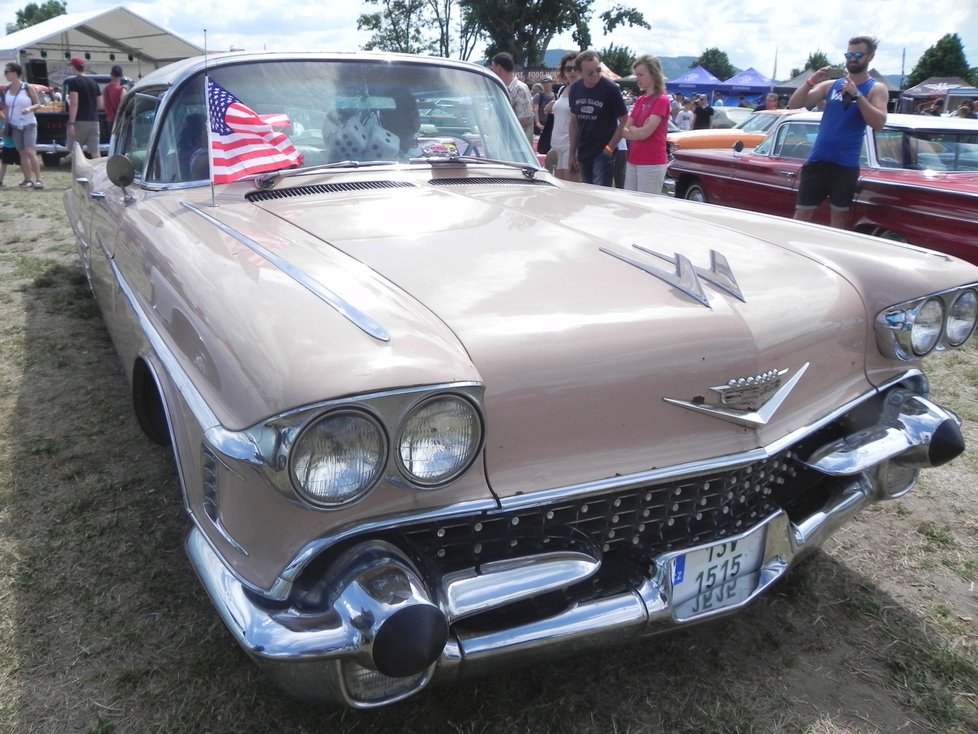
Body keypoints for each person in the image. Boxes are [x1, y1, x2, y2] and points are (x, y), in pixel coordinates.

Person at [787, 35, 887, 229]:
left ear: (870, 57)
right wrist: (811, 80)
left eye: (858, 54)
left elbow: (879, 123)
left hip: (845, 166)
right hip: (817, 161)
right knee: (801, 215)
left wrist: (858, 96)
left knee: (839, 219)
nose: (852, 58)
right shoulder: (831, 85)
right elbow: (794, 104)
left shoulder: (877, 88)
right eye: (849, 54)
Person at [568, 49, 628, 186]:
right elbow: (574, 122)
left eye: (598, 69)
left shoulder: (611, 89)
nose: (595, 74)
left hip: (603, 151)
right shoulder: (575, 89)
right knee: (587, 193)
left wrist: (609, 149)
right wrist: (572, 153)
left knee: (600, 195)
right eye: (590, 72)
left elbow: (624, 120)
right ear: (580, 73)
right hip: (583, 151)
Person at [621, 54, 670, 195]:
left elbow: (644, 133)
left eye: (641, 75)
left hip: (652, 162)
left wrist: (634, 130)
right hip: (634, 160)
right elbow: (625, 130)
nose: (638, 78)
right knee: (630, 205)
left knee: (645, 208)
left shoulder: (662, 100)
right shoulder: (641, 100)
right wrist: (637, 130)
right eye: (637, 75)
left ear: (654, 74)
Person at [0, 62, 43, 189]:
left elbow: (38, 104)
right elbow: (7, 109)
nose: (5, 74)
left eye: (7, 72)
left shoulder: (27, 87)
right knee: (22, 152)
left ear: (14, 73)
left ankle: (39, 180)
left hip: (29, 123)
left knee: (30, 151)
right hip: (14, 125)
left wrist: (29, 108)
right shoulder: (6, 90)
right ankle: (27, 180)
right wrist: (5, 125)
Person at [544, 52, 579, 181]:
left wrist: (574, 152)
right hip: (555, 145)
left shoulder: (583, 91)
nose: (572, 72)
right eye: (568, 68)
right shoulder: (562, 90)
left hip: (570, 147)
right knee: (558, 189)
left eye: (576, 68)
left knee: (570, 190)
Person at [64, 56, 103, 159]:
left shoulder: (73, 82)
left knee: (76, 151)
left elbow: (74, 103)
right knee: (95, 151)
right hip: (94, 120)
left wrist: (71, 123)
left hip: (79, 121)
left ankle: (78, 174)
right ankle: (98, 173)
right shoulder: (94, 83)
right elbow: (100, 104)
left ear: (74, 67)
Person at [491, 52, 533, 146]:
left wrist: (501, 126)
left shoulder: (520, 89)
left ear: (499, 68)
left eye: (492, 69)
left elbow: (525, 119)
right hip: (506, 146)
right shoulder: (501, 88)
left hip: (518, 148)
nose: (492, 71)